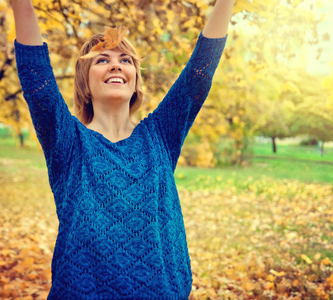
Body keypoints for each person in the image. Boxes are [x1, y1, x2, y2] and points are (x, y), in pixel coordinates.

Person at [12, 0, 234, 299]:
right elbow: (36, 76)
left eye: (125, 60)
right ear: (85, 85)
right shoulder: (68, 141)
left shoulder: (160, 136)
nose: (116, 64)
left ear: (135, 84)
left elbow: (199, 74)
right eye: (102, 60)